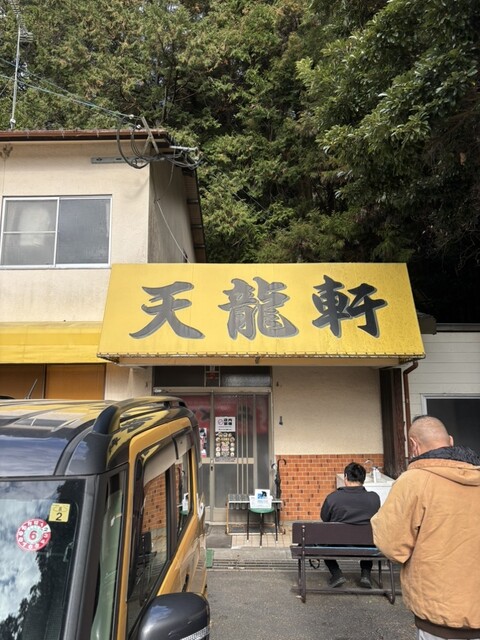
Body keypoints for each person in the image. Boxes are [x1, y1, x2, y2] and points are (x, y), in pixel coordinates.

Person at [371, 415, 480, 640]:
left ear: (413, 445)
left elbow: (392, 546)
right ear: (450, 441)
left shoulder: (413, 481)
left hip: (439, 611)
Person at [320, 461, 380, 588]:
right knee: (369, 537)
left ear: (346, 477)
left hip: (336, 544)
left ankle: (336, 574)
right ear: (363, 479)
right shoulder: (374, 498)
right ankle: (365, 574)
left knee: (323, 538)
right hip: (367, 545)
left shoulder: (333, 498)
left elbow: (325, 518)